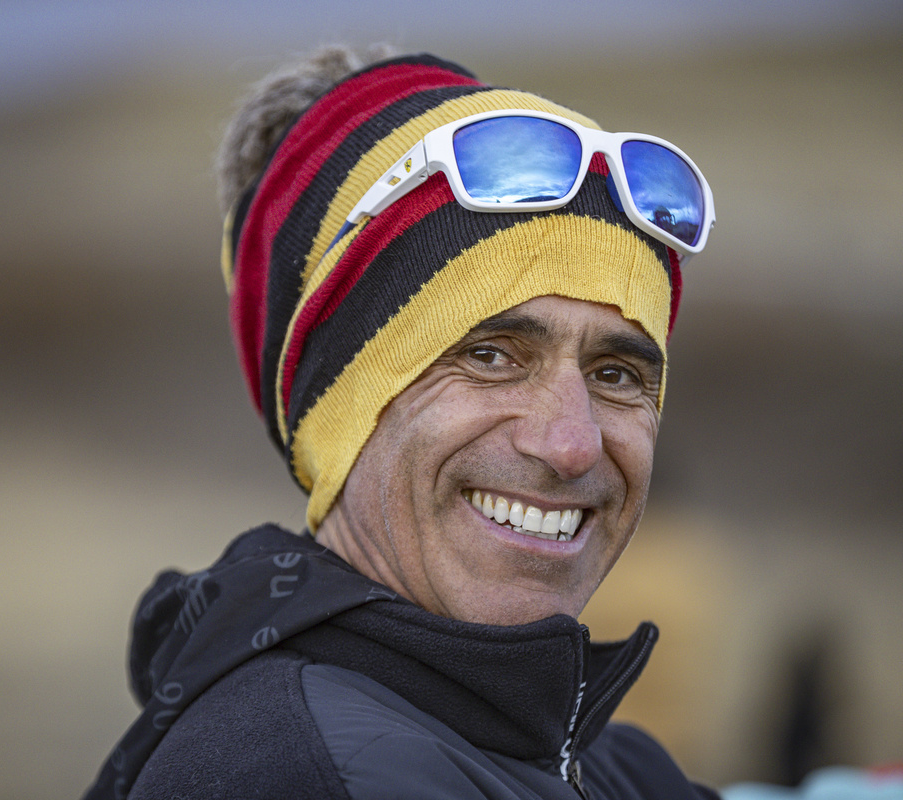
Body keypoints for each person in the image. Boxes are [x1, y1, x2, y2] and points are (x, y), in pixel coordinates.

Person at [85, 45, 717, 800]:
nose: (571, 443)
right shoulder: (302, 776)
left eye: (615, 375)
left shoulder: (596, 759)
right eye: (490, 356)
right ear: (340, 409)